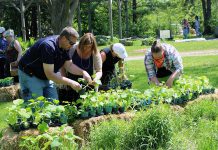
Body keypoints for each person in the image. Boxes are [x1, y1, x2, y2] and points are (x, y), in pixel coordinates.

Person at [18, 26, 92, 101]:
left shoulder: (65, 47)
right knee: (36, 105)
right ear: (63, 38)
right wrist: (70, 82)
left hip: (45, 75)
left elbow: (69, 65)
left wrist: (83, 72)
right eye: (71, 43)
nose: (72, 46)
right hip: (30, 74)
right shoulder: (48, 46)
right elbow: (50, 74)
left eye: (74, 43)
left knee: (54, 103)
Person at [61, 33, 102, 102]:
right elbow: (63, 65)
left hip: (88, 83)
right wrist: (64, 80)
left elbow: (99, 71)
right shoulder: (73, 49)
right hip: (72, 82)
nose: (86, 49)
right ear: (81, 43)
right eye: (84, 46)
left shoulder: (95, 52)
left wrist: (96, 79)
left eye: (89, 47)